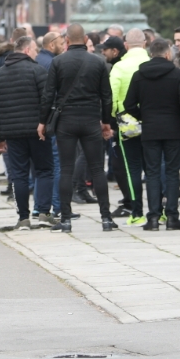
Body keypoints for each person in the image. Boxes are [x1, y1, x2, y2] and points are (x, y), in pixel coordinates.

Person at [41, 29, 115, 232]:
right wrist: (106, 122)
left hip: (66, 121)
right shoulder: (98, 62)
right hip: (91, 119)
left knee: (66, 169)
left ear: (66, 40)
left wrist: (42, 121)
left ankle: (65, 219)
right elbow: (106, 96)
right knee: (98, 169)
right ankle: (106, 218)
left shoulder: (58, 62)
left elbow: (49, 95)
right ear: (85, 40)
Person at [123, 37, 180, 230]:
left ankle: (153, 217)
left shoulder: (140, 74)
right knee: (172, 173)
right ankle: (172, 217)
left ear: (149, 53)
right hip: (173, 129)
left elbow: (128, 103)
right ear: (168, 54)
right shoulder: (176, 74)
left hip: (150, 129)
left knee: (152, 173)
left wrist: (143, 116)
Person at [0, 34, 54, 231]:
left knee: (18, 175)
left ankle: (23, 218)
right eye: (35, 50)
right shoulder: (38, 71)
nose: (36, 54)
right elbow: (47, 101)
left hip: (12, 133)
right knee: (44, 170)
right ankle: (43, 212)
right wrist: (44, 124)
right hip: (37, 131)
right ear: (27, 50)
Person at [108, 30, 149, 224]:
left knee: (132, 168)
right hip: (152, 122)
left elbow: (112, 96)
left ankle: (137, 212)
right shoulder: (151, 64)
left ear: (125, 45)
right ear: (145, 43)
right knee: (154, 168)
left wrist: (112, 119)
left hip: (127, 124)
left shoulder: (119, 67)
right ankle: (160, 209)